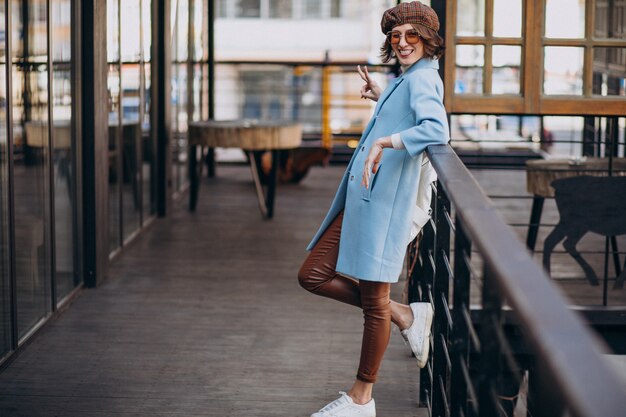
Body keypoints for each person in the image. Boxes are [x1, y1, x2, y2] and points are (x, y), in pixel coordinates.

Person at [298, 2, 449, 417]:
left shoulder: (423, 79)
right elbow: (411, 116)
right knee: (313, 274)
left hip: (384, 206)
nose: (401, 43)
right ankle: (405, 315)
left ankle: (361, 398)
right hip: (368, 199)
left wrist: (386, 142)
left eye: (410, 35)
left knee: (372, 302)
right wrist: (382, 99)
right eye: (395, 36)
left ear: (428, 39)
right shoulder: (407, 79)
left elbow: (437, 130)